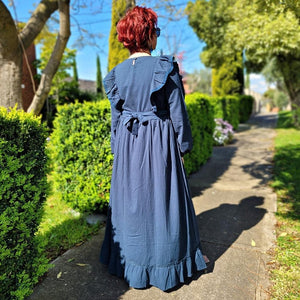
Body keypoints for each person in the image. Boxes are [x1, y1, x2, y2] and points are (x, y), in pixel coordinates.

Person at [100, 6, 208, 291]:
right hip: (158, 141)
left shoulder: (115, 74)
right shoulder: (164, 67)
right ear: (147, 34)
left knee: (132, 203)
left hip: (128, 142)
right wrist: (183, 146)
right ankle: (167, 264)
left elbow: (116, 120)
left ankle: (131, 263)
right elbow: (178, 114)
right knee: (164, 200)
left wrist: (119, 150)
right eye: (155, 30)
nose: (157, 36)